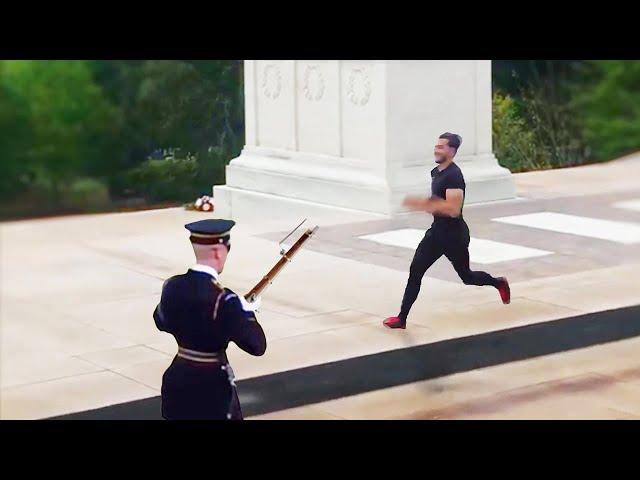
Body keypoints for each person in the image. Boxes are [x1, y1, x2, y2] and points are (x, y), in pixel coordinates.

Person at [384, 133, 510, 329]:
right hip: (436, 233)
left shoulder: (454, 176)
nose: (437, 149)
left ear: (451, 151)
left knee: (467, 277)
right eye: (436, 146)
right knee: (415, 271)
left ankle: (498, 283)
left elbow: (453, 210)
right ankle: (402, 318)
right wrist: (428, 205)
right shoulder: (436, 172)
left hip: (454, 237)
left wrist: (424, 204)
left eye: (441, 147)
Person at [154, 219, 266, 419]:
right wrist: (246, 313)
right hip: (210, 387)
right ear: (219, 251)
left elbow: (161, 321)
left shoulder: (172, 286)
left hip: (178, 377)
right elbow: (256, 346)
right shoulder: (224, 298)